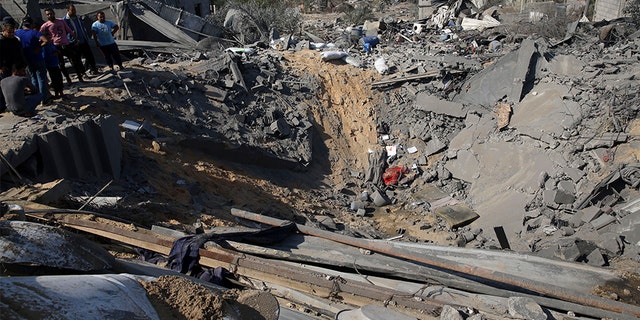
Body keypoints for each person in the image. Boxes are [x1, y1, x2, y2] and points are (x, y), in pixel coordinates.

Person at [40, 7, 85, 84]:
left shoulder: (61, 21)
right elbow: (40, 34)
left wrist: (75, 38)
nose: (50, 15)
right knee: (61, 64)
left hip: (66, 44)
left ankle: (80, 77)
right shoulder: (46, 25)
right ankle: (68, 79)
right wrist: (46, 41)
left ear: (54, 13)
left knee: (74, 61)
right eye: (48, 14)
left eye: (51, 13)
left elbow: (68, 30)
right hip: (56, 46)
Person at [15, 17, 51, 103]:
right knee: (41, 79)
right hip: (37, 58)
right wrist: (39, 47)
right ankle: (44, 98)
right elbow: (46, 40)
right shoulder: (34, 33)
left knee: (33, 78)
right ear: (31, 24)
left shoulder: (18, 33)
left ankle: (37, 98)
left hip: (27, 60)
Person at [63, 4, 98, 75]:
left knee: (89, 55)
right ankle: (82, 73)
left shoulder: (78, 17)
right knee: (77, 59)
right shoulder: (65, 20)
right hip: (74, 42)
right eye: (72, 10)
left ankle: (93, 69)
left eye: (74, 10)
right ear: (68, 10)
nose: (74, 11)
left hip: (83, 40)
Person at [0, 20, 26, 112]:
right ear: (3, 32)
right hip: (5, 68)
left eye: (12, 32)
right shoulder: (1, 42)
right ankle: (3, 106)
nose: (11, 34)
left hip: (16, 68)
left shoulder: (15, 40)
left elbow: (20, 53)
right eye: (9, 32)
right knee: (5, 88)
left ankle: (17, 104)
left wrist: (22, 65)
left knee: (17, 87)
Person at [41, 31, 64, 99]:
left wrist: (57, 53)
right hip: (50, 65)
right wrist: (53, 55)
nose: (49, 39)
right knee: (54, 80)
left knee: (59, 78)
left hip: (55, 64)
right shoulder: (44, 47)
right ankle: (56, 93)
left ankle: (61, 92)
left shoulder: (52, 44)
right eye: (47, 38)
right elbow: (44, 57)